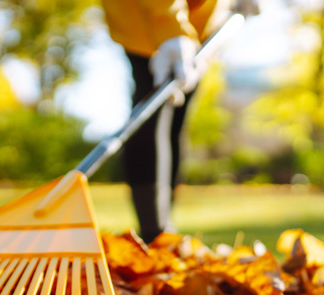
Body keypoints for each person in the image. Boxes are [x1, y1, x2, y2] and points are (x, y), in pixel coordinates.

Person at [100, 0, 236, 243]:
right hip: (145, 18)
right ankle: (154, 231)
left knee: (177, 116)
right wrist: (171, 29)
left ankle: (163, 232)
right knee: (150, 113)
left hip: (202, 28)